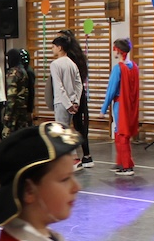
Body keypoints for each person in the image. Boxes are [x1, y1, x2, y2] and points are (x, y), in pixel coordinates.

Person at [100, 38, 139, 176]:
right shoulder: (134, 66)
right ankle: (121, 161)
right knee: (121, 131)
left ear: (118, 50)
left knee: (122, 133)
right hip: (131, 105)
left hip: (121, 105)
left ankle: (127, 166)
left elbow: (111, 91)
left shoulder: (119, 68)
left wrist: (103, 109)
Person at [58, 31, 95, 169]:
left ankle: (73, 157)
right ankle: (86, 155)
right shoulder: (79, 56)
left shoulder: (68, 59)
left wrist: (70, 100)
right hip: (79, 94)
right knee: (80, 125)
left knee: (66, 126)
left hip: (71, 94)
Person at [49, 35, 82, 140]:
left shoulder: (55, 64)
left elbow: (58, 86)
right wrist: (76, 101)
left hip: (62, 102)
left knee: (61, 134)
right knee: (66, 130)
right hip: (72, 101)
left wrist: (67, 104)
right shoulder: (72, 64)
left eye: (53, 46)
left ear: (59, 48)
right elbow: (78, 84)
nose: (52, 49)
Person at [4, 48, 35, 136]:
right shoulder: (24, 71)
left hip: (15, 110)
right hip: (23, 108)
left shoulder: (13, 73)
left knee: (9, 136)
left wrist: (8, 113)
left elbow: (12, 95)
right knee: (22, 134)